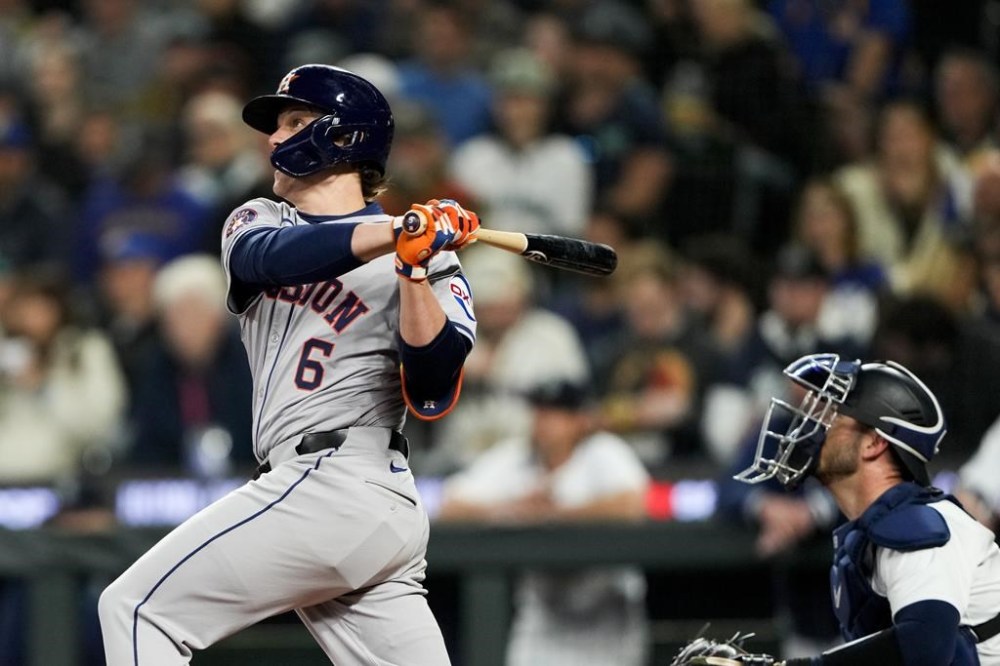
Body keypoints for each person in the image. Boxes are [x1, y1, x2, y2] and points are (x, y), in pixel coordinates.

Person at [98, 63, 480, 664]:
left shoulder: (426, 258)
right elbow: (269, 261)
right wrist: (392, 233)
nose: (275, 138)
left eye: (296, 121)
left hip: (341, 482)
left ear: (346, 136)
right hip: (333, 496)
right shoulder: (257, 219)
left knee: (134, 610)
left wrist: (412, 271)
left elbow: (433, 381)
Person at [725, 352, 1000, 665]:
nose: (814, 428)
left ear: (874, 443)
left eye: (834, 417)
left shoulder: (920, 527)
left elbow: (925, 648)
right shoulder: (872, 535)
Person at [439, 379, 650, 666]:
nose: (544, 422)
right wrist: (513, 509)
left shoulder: (602, 452)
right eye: (539, 411)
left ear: (580, 420)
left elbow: (632, 504)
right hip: (544, 622)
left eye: (555, 413)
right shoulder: (516, 457)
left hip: (606, 618)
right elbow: (451, 506)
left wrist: (557, 514)